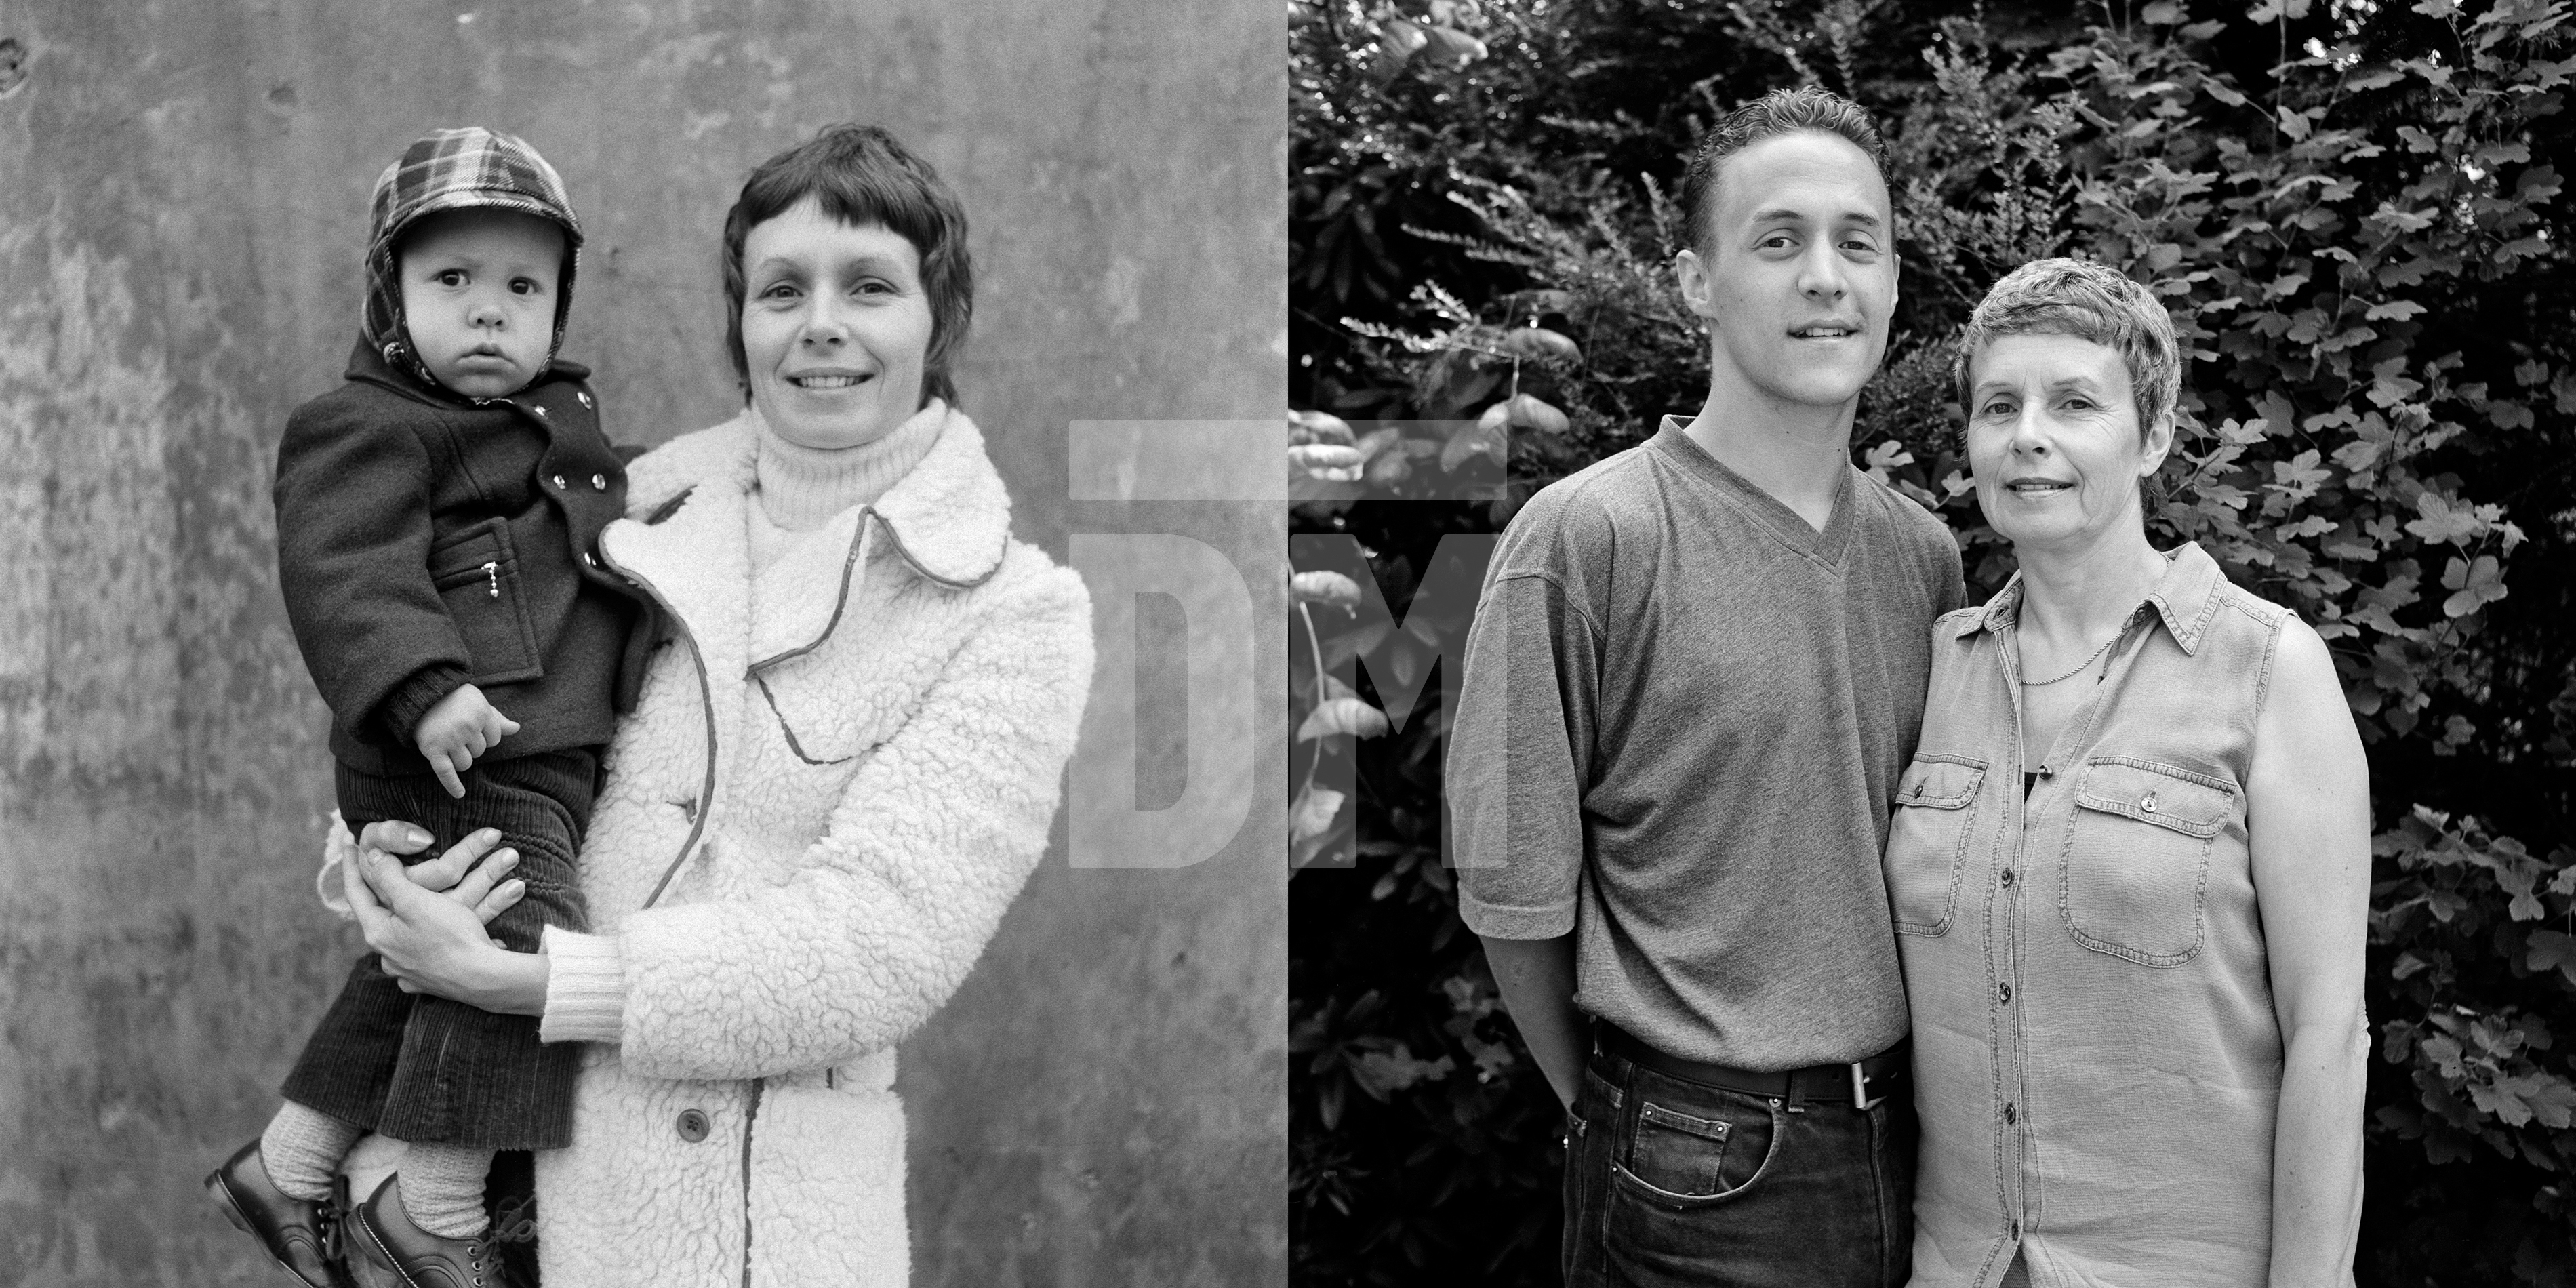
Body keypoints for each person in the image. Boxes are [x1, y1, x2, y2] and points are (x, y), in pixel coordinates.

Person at [294, 123, 1093, 1287]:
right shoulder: (631, 502)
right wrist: (387, 879)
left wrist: (528, 980)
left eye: (870, 286)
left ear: (939, 316)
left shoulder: (1011, 609)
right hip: (478, 1194)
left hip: (742, 1226)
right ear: (742, 325)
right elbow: (436, 684)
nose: (822, 323)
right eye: (782, 290)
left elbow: (881, 947)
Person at [1449, 86, 1965, 1287]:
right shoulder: (1588, 537)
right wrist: (1622, 1116)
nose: (1825, 277)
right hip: (1694, 1166)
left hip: (1923, 1150)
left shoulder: (1925, 556)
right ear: (1695, 282)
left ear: (1892, 280)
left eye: (1859, 242)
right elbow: (1509, 890)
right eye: (1778, 241)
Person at [208, 125, 657, 1288]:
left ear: (560, 306)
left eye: (523, 286)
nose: (490, 312)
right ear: (392, 298)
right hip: (451, 745)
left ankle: (292, 1162)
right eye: (451, 281)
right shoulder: (364, 426)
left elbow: (587, 524)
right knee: (522, 933)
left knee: (420, 966)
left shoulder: (556, 428)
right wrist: (424, 687)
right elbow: (345, 570)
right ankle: (430, 1202)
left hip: (530, 749)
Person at [1889, 257, 2367, 1286]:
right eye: (1998, 406)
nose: (2028, 436)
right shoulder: (1934, 673)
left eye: (2074, 403)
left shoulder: (2268, 670)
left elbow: (2329, 1038)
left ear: (2151, 437)